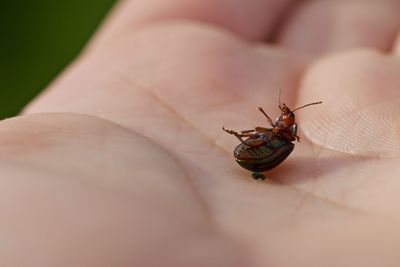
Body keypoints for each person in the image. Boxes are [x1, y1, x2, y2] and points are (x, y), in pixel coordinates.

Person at [3, 1, 400, 266]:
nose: (281, 119)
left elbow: (274, 139)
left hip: (259, 156)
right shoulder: (282, 136)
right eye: (281, 119)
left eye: (284, 119)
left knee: (259, 140)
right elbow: (273, 137)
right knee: (257, 139)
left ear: (286, 129)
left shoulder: (280, 139)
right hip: (257, 156)